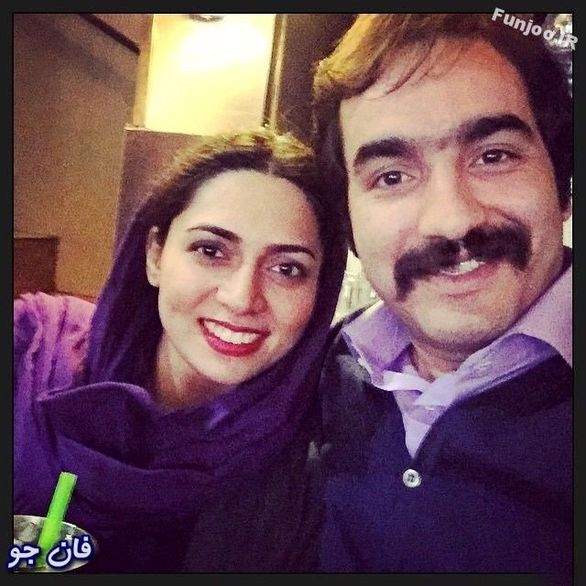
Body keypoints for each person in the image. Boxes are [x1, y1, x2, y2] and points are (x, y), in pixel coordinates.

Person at [311, 13, 572, 581]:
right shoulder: (324, 370)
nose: (452, 220)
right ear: (349, 224)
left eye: (494, 155)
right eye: (392, 177)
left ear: (563, 183)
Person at [13, 128, 346, 572]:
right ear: (155, 254)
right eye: (210, 250)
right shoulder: (31, 349)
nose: (241, 298)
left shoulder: (313, 476)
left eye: (287, 269)